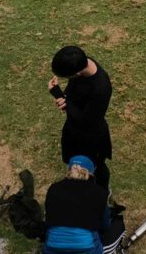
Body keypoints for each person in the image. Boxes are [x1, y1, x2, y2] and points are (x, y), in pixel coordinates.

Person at [48, 46, 113, 188]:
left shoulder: (100, 89)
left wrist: (65, 103)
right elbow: (74, 95)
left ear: (77, 73)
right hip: (73, 129)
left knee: (96, 167)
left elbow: (86, 121)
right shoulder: (83, 64)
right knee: (73, 161)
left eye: (67, 77)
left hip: (91, 137)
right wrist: (60, 95)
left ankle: (101, 192)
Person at [43, 156, 111, 254]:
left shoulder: (54, 188)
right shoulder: (99, 192)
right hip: (86, 248)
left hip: (52, 247)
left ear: (69, 170)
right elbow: (105, 225)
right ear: (91, 173)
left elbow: (48, 217)